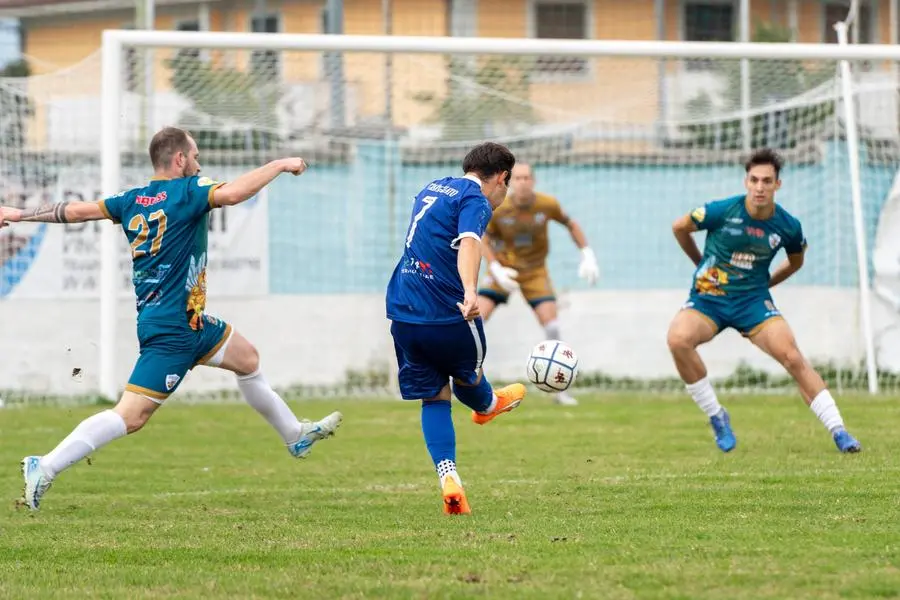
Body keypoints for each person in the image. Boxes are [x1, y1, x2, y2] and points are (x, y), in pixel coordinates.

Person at [1, 126, 343, 511]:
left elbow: (75, 212)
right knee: (130, 417)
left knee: (247, 359)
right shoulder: (188, 191)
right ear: (179, 159)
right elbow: (234, 193)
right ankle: (43, 465)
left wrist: (19, 213)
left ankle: (294, 434)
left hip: (191, 322)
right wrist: (280, 163)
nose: (198, 165)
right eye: (194, 157)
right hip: (172, 330)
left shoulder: (130, 199)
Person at [666, 147, 861, 454]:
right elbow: (679, 227)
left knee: (793, 357)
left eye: (767, 181)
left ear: (777, 185)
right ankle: (717, 416)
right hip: (709, 299)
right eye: (754, 180)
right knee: (678, 340)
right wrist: (700, 262)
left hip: (753, 303)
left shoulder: (788, 225)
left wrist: (767, 283)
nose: (759, 187)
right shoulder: (722, 211)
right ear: (746, 181)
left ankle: (840, 431)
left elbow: (796, 262)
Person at [385, 142, 526, 515]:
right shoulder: (476, 200)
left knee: (434, 396)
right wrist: (469, 291)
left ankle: (449, 477)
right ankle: (489, 404)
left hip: (403, 311)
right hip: (448, 313)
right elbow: (469, 243)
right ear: (502, 178)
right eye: (507, 186)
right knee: (468, 376)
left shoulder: (434, 187)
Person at [476, 163, 598, 406]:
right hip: (505, 268)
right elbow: (481, 237)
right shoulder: (499, 207)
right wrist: (496, 268)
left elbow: (571, 224)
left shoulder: (547, 204)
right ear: (510, 182)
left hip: (535, 271)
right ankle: (461, 377)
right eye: (518, 178)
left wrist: (587, 254)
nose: (522, 182)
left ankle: (560, 390)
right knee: (474, 319)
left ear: (534, 181)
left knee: (552, 325)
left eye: (527, 177)